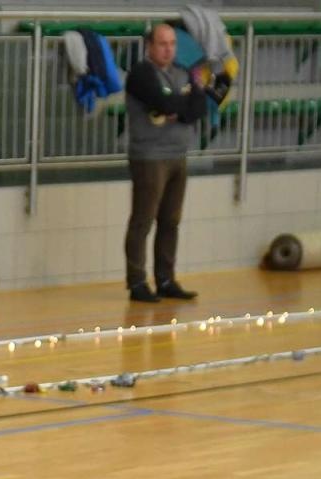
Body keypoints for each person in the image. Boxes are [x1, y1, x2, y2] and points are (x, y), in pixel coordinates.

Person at [123, 23, 225, 303]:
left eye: (172, 44)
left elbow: (198, 109)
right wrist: (180, 103)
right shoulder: (141, 74)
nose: (168, 49)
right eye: (162, 44)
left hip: (178, 155)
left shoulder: (182, 72)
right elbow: (163, 102)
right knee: (143, 221)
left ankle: (166, 279)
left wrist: (179, 105)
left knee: (171, 220)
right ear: (149, 46)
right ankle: (137, 282)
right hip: (150, 157)